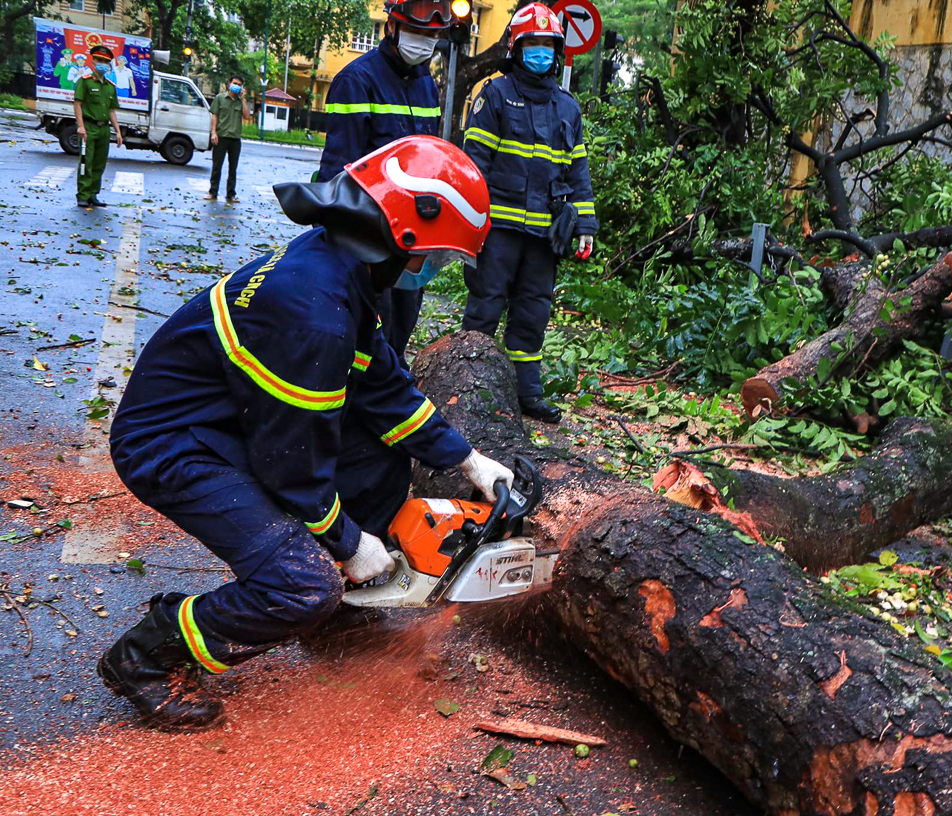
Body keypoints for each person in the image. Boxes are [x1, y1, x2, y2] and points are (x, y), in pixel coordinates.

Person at [98, 135, 511, 732]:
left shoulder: (338, 266)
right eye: (435, 257)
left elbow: (383, 389)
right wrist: (348, 542)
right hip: (172, 443)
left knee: (379, 461)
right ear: (402, 234)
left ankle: (341, 617)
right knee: (303, 584)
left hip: (233, 422)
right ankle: (147, 654)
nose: (429, 270)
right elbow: (293, 461)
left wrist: (469, 460)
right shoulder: (312, 313)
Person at [461, 3, 598, 423]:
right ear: (516, 49)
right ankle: (469, 390)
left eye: (547, 46)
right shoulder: (496, 95)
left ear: (557, 52)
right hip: (497, 230)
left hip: (544, 238)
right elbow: (474, 163)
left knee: (533, 313)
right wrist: (469, 222)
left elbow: (578, 172)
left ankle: (527, 395)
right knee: (484, 308)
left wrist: (586, 226)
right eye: (532, 45)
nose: (540, 53)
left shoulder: (567, 107)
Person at [317, 0, 452, 365]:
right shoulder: (356, 80)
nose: (424, 42)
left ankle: (387, 395)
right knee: (367, 334)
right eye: (417, 32)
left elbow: (430, 159)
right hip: (370, 234)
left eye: (431, 35)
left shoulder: (427, 84)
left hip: (412, 236)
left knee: (401, 328)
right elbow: (337, 168)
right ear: (392, 27)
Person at [74, 44, 124, 209]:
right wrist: (80, 126)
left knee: (99, 163)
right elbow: (78, 104)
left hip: (104, 129)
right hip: (89, 127)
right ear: (93, 61)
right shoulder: (85, 82)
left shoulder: (110, 86)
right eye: (99, 60)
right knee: (86, 162)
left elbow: (111, 111)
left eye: (105, 61)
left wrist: (117, 132)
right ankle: (83, 194)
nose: (102, 63)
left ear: (109, 64)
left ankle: (93, 194)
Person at [207, 75, 250, 203]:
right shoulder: (220, 98)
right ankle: (212, 192)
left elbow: (247, 116)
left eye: (239, 84)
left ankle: (230, 194)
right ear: (229, 83)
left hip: (235, 139)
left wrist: (243, 100)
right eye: (235, 83)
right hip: (221, 137)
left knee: (233, 168)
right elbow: (215, 116)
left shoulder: (240, 101)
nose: (237, 86)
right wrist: (213, 133)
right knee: (216, 166)